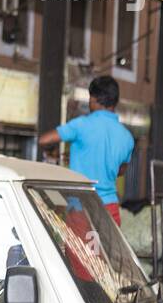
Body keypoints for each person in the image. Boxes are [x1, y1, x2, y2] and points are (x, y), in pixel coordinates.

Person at [38, 76, 135, 225]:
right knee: (107, 249)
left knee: (79, 248)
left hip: (80, 204)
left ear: (95, 99)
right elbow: (120, 171)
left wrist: (53, 151)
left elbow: (44, 140)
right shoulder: (127, 137)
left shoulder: (82, 125)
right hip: (110, 207)